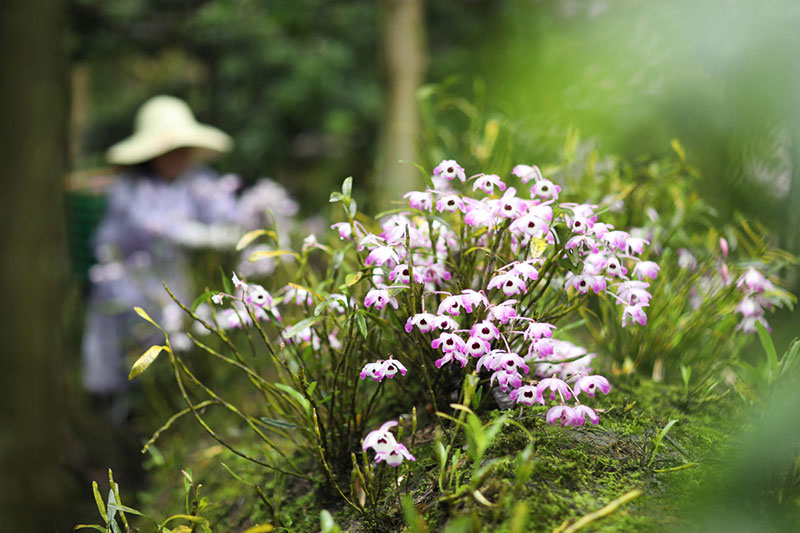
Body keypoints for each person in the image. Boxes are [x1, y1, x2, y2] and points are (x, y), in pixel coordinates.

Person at [81, 95, 241, 408]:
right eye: (168, 151)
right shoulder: (130, 187)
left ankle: (169, 401)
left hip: (176, 280)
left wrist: (225, 232)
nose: (176, 158)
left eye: (182, 150)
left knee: (181, 338)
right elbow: (146, 226)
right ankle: (123, 409)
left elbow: (226, 216)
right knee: (131, 346)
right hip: (128, 280)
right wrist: (193, 235)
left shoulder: (198, 181)